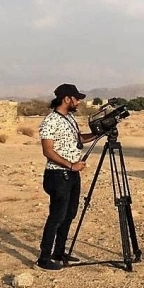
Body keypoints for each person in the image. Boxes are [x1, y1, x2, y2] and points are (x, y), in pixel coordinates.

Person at [36, 83, 98, 270]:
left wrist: (98, 133)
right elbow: (48, 151)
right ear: (66, 99)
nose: (78, 101)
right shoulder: (50, 121)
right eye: (76, 98)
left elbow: (79, 139)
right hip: (57, 175)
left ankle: (59, 251)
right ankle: (44, 258)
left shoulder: (70, 118)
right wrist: (71, 165)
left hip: (72, 175)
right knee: (57, 216)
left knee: (69, 214)